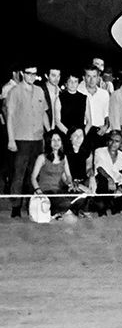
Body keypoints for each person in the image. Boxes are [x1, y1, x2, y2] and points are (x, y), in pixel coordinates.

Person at [6, 61, 49, 217]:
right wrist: (11, 139)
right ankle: (16, 207)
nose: (31, 76)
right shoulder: (14, 91)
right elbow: (10, 117)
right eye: (29, 73)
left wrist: (50, 133)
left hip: (37, 139)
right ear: (23, 73)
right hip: (21, 139)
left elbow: (44, 113)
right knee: (18, 174)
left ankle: (32, 206)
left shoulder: (39, 91)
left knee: (34, 174)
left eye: (34, 73)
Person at [30, 130, 73, 216]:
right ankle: (56, 212)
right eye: (53, 140)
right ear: (49, 142)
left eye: (58, 140)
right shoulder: (42, 157)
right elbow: (33, 177)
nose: (56, 142)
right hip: (45, 191)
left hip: (58, 190)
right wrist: (38, 191)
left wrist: (70, 183)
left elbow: (68, 175)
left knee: (80, 197)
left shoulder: (64, 157)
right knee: (65, 204)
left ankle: (58, 212)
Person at [92, 131, 122, 216]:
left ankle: (114, 203)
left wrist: (120, 188)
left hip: (116, 185)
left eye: (117, 141)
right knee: (102, 181)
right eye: (111, 140)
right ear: (108, 140)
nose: (113, 143)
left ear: (121, 143)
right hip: (103, 183)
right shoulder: (99, 151)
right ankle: (105, 205)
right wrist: (109, 179)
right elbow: (99, 167)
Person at [81, 65, 111, 150]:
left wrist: (106, 126)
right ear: (84, 78)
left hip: (100, 132)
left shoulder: (104, 94)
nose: (91, 80)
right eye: (88, 76)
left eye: (94, 76)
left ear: (98, 78)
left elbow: (107, 113)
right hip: (84, 131)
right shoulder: (79, 93)